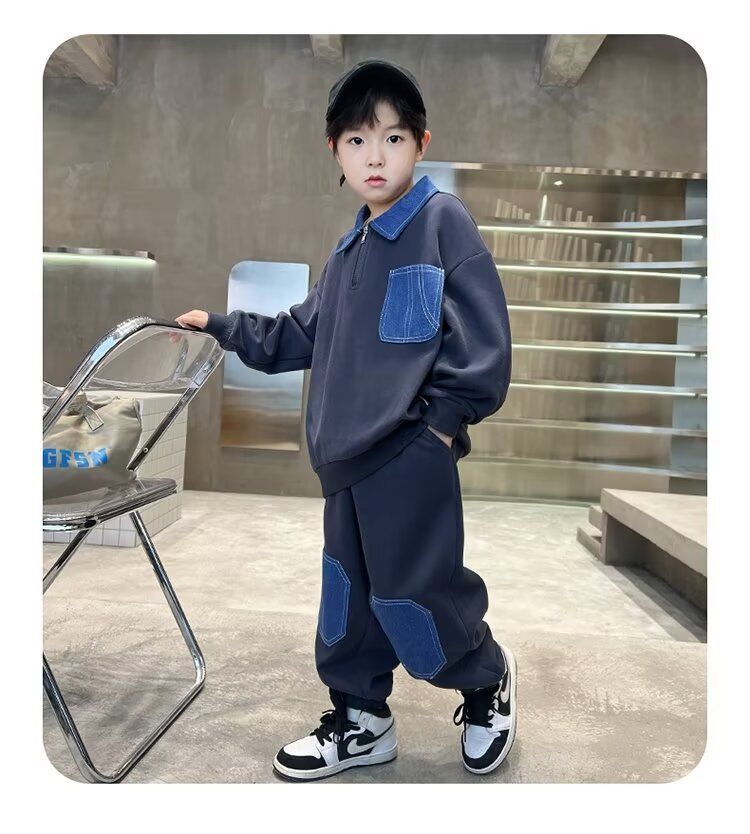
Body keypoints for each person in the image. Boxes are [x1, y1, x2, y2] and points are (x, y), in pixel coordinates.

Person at [176, 58, 516, 782]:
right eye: (358, 140)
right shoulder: (348, 249)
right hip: (343, 466)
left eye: (393, 138)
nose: (375, 156)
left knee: (416, 596)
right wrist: (224, 326)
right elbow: (299, 335)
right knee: (348, 602)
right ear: (335, 149)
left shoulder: (442, 222)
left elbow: (483, 342)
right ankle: (363, 721)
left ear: (421, 144)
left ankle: (485, 682)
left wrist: (440, 425)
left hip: (409, 456)